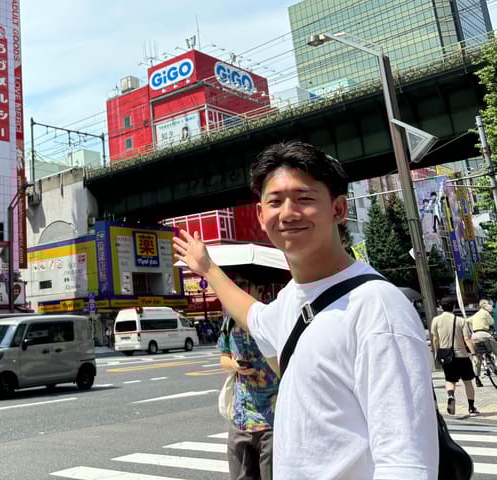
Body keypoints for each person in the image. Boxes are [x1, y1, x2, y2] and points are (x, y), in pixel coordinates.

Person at [174, 140, 437, 479]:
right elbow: (253, 315)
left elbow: (407, 462)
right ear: (260, 214)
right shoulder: (292, 299)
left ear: (339, 209)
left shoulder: (377, 307)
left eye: (305, 199)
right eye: (275, 201)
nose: (287, 213)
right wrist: (208, 268)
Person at [218, 314, 278, 480]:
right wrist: (236, 366)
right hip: (241, 419)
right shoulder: (229, 322)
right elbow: (224, 358)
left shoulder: (273, 315)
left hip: (273, 420)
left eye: (248, 285)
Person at [432, 296, 479, 413]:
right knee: (468, 382)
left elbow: (435, 339)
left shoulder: (436, 320)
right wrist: (474, 353)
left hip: (446, 356)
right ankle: (471, 407)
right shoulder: (460, 321)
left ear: (441, 307)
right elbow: (467, 338)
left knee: (450, 380)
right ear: (453, 306)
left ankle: (451, 395)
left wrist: (437, 352)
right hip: (461, 355)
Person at [468, 299, 495, 384]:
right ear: (485, 305)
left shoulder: (476, 315)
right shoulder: (485, 313)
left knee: (478, 357)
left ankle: (477, 379)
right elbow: (492, 322)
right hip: (485, 334)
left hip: (475, 336)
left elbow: (467, 320)